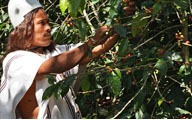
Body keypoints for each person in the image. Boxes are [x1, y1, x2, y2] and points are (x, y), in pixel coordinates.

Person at [0, 0, 119, 119]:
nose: (48, 28)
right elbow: (54, 65)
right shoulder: (15, 60)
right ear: (24, 28)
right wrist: (92, 41)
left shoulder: (54, 53)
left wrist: (119, 23)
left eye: (48, 22)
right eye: (41, 23)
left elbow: (87, 53)